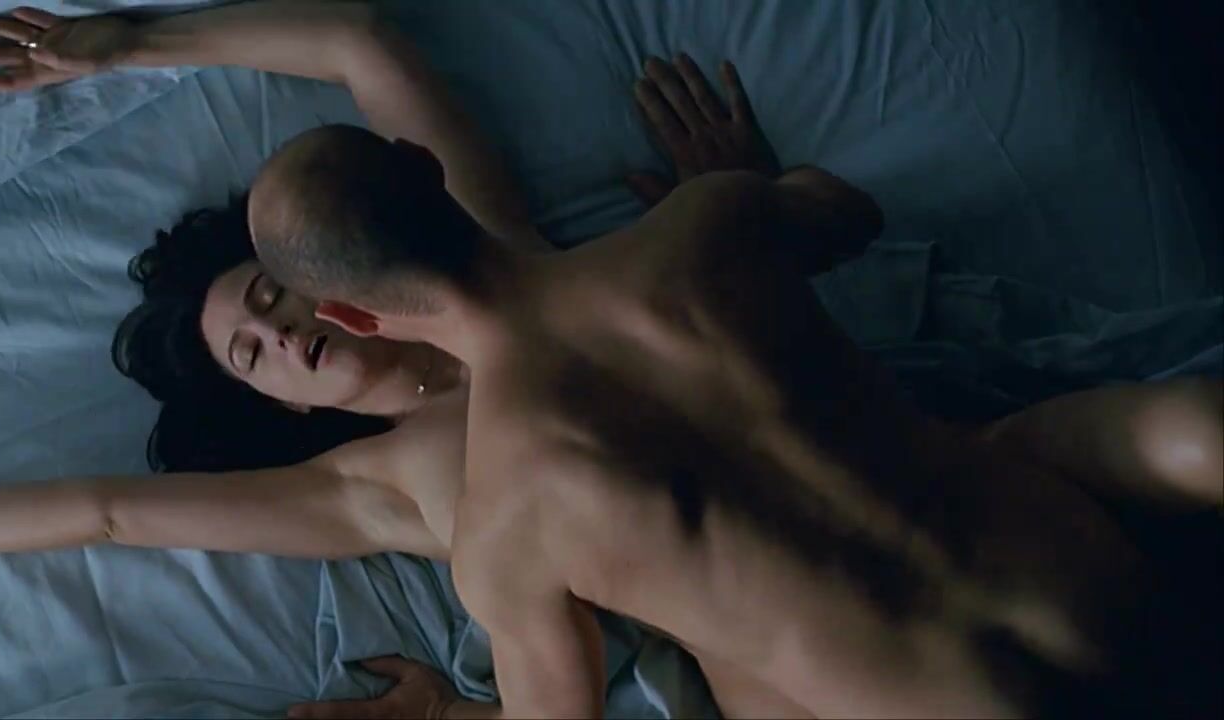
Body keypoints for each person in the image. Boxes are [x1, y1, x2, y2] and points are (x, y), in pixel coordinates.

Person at [0, 4, 1223, 719]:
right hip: (980, 593)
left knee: (1125, 433)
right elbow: (110, 513)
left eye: (271, 298)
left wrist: (126, 44)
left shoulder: (514, 500)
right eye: (258, 354)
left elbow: (363, 44)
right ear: (289, 402)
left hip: (977, 543)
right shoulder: (403, 483)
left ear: (359, 304)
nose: (283, 332)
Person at [240, 25, 1223, 717]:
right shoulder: (703, 229)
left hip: (939, 701)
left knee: (727, 668)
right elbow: (848, 216)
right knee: (1070, 436)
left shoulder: (503, 530)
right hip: (1086, 576)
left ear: (352, 315)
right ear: (423, 166)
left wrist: (444, 712)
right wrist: (738, 186)